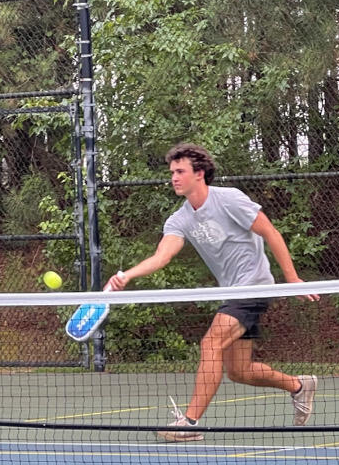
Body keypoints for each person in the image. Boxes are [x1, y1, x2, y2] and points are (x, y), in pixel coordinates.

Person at [108, 144, 319, 441]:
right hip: (232, 293)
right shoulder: (179, 219)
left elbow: (270, 231)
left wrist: (292, 278)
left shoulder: (229, 199)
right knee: (239, 371)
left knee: (211, 344)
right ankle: (299, 385)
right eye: (172, 173)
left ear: (200, 174)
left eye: (180, 172)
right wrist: (126, 275)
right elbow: (162, 256)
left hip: (255, 286)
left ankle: (190, 424)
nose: (174, 178)